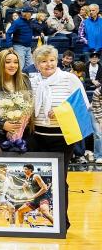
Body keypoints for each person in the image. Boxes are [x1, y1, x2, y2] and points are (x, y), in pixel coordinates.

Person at [31, 44, 87, 226]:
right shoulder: (32, 81)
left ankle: (62, 220)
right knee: (37, 180)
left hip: (62, 138)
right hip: (37, 137)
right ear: (37, 64)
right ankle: (41, 216)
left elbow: (83, 105)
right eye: (43, 61)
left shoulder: (69, 79)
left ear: (57, 60)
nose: (48, 64)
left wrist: (62, 111)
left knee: (59, 179)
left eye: (52, 60)